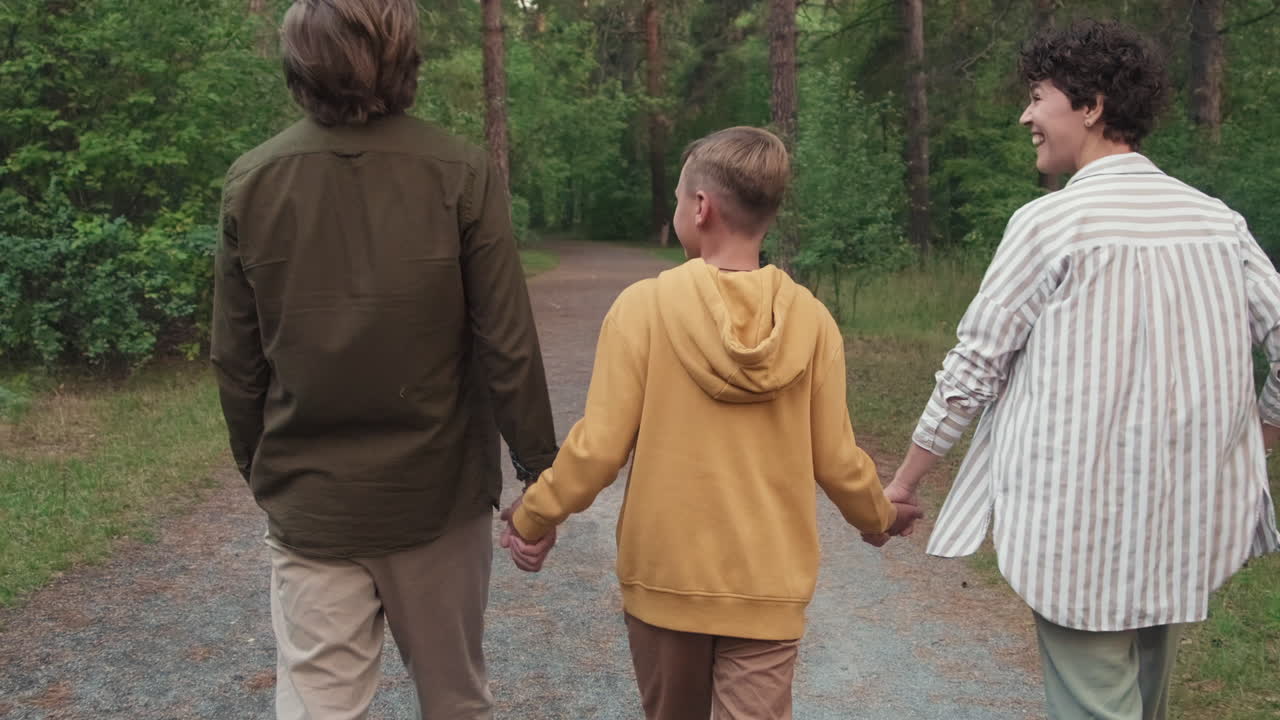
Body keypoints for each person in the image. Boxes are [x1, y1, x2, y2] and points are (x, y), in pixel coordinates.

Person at [880, 20, 1280, 720]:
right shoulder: (1217, 222)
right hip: (1183, 519)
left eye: (1038, 97)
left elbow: (975, 363)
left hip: (1081, 529)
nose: (1026, 115)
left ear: (1091, 105)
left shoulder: (1052, 225)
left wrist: (907, 481)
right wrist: (1255, 436)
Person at [498, 126, 920, 720]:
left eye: (677, 197)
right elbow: (836, 458)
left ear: (701, 207)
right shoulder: (812, 321)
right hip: (768, 587)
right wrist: (876, 517)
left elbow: (597, 449)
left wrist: (534, 514)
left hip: (667, 583)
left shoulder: (643, 309)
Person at [210, 1, 557, 717]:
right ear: (404, 54)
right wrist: (540, 475)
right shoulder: (461, 172)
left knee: (319, 707)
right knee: (456, 699)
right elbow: (507, 342)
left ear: (298, 59)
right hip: (439, 497)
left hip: (313, 506)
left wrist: (265, 473)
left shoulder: (253, 182)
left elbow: (237, 362)